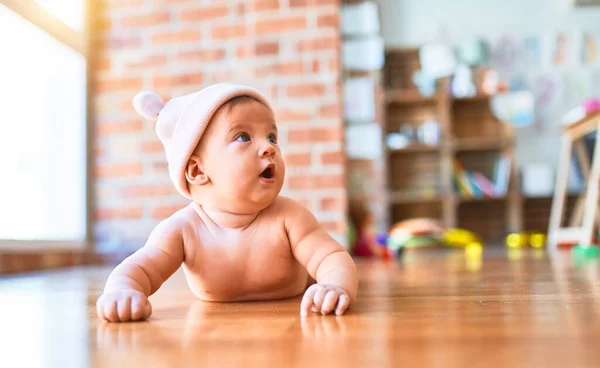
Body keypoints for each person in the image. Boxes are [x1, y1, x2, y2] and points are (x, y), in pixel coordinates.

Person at [96, 83, 358, 322]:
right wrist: (122, 291)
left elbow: (331, 257)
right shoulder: (182, 229)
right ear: (197, 171)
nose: (269, 148)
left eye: (272, 137)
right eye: (243, 137)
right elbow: (141, 267)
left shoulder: (290, 216)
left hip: (293, 317)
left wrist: (334, 285)